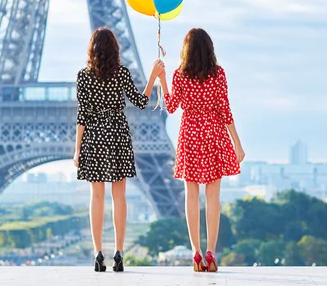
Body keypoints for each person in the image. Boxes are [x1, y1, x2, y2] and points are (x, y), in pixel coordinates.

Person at [73, 27, 164, 272]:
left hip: (94, 134)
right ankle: (119, 252)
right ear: (115, 49)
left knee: (97, 197)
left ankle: (98, 252)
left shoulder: (83, 75)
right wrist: (154, 77)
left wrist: (77, 149)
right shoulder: (121, 73)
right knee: (119, 197)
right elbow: (141, 102)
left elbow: (83, 114)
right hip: (117, 134)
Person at [159, 28, 246, 272]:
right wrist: (237, 143)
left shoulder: (180, 75)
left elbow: (172, 107)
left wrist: (163, 80)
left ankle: (195, 252)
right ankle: (211, 252)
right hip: (214, 134)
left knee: (191, 196)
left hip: (190, 135)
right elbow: (225, 110)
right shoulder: (218, 74)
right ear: (210, 48)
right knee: (213, 197)